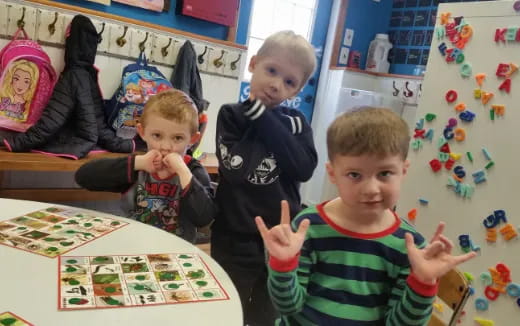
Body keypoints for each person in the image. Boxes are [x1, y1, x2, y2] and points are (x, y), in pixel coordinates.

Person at [255, 107, 477, 325]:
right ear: (332, 174)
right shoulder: (308, 227)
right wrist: (283, 264)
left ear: (404, 170)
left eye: (384, 173)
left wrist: (423, 282)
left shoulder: (410, 246)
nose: (371, 188)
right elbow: (288, 307)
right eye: (354, 174)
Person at [212, 30, 318, 325]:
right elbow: (236, 170)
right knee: (229, 310)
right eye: (271, 71)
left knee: (266, 312)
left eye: (288, 82)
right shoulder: (231, 115)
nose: (275, 85)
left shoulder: (298, 122)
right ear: (253, 63)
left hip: (280, 238)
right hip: (234, 236)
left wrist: (263, 117)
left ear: (296, 91)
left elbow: (303, 168)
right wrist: (260, 117)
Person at [75, 89, 215, 243]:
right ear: (142, 132)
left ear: (192, 139)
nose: (166, 146)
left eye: (178, 138)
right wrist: (137, 163)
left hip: (176, 254)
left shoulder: (193, 171)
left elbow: (205, 218)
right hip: (133, 246)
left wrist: (183, 172)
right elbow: (83, 177)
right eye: (157, 136)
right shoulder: (138, 166)